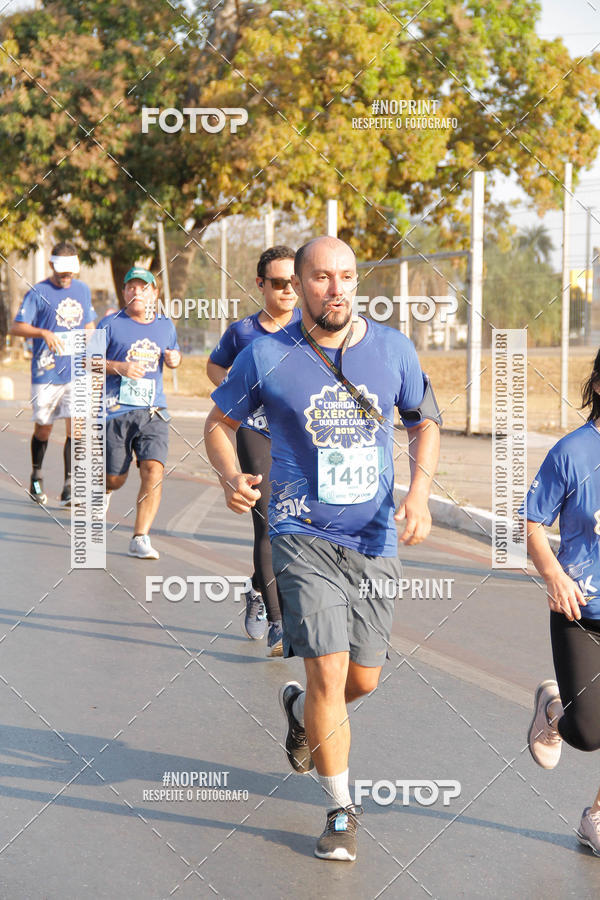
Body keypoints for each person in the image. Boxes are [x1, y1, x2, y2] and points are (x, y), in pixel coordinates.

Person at [204, 236, 441, 861]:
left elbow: (425, 419)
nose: (335, 288)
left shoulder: (393, 349)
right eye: (320, 278)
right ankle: (340, 809)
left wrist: (419, 494)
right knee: (329, 670)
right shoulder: (265, 355)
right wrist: (231, 476)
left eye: (346, 276)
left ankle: (301, 716)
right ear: (298, 286)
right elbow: (218, 425)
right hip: (300, 534)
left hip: (374, 537)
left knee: (363, 676)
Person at [207, 245, 300, 656]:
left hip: (301, 435)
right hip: (256, 431)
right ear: (260, 284)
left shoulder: (312, 325)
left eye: (294, 282)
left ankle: (257, 586)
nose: (288, 291)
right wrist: (236, 389)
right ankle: (279, 624)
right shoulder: (243, 331)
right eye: (278, 283)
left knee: (301, 523)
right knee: (268, 523)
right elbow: (213, 367)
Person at [526, 348, 600, 855]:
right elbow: (530, 521)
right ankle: (553, 710)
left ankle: (596, 815)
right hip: (581, 612)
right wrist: (552, 572)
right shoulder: (573, 453)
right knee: (590, 733)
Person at [97, 267, 181, 559]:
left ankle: (140, 536)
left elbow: (174, 355)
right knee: (114, 479)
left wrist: (174, 359)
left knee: (154, 469)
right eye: (131, 287)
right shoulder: (110, 323)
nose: (137, 292)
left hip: (153, 410)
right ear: (124, 293)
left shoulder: (165, 325)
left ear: (154, 294)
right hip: (116, 411)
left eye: (144, 288)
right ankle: (107, 491)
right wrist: (119, 367)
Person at [10, 241, 96, 506]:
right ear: (51, 266)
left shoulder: (83, 290)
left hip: (76, 371)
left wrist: (91, 341)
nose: (66, 276)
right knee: (45, 429)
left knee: (77, 428)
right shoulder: (38, 292)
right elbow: (17, 327)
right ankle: (36, 476)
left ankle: (70, 486)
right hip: (46, 372)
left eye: (70, 271)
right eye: (61, 271)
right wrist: (43, 333)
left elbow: (89, 322)